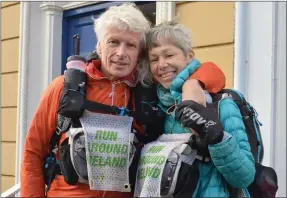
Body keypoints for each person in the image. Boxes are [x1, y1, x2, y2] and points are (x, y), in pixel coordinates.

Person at [20, 3, 226, 197]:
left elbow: (214, 73)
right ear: (100, 46)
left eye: (131, 45)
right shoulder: (64, 87)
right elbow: (32, 154)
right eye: (113, 42)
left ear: (139, 54)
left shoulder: (145, 89)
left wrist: (194, 83)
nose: (121, 53)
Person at [142, 21, 256, 197]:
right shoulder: (156, 107)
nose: (162, 64)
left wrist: (217, 138)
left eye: (169, 55)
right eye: (154, 59)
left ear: (189, 56)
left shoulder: (221, 105)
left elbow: (245, 177)